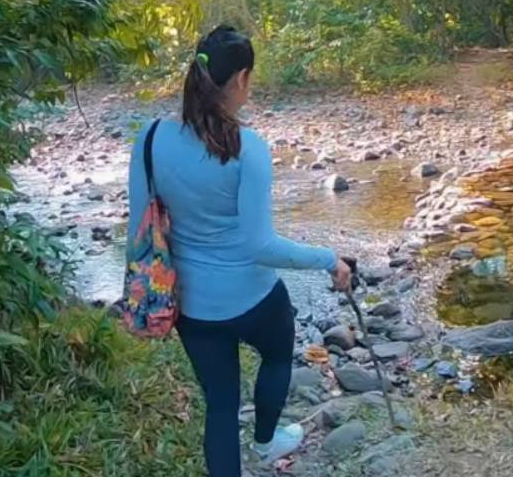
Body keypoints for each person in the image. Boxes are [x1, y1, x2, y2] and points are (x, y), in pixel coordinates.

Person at [127, 25, 352, 476]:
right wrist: (329, 259)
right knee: (276, 351)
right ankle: (268, 441)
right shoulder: (248, 148)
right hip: (253, 298)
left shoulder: (150, 138)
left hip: (191, 305)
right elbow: (259, 245)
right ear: (242, 79)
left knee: (221, 406)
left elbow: (139, 231)